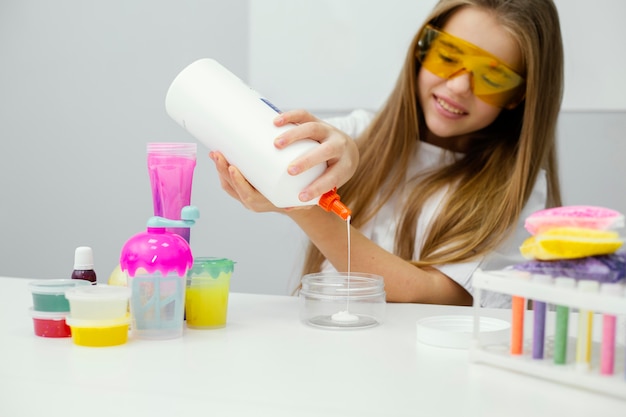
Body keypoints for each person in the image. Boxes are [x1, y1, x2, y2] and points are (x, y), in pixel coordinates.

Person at [210, 0, 564, 307]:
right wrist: (336, 151)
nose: (458, 85)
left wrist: (305, 207)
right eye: (448, 56)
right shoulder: (362, 132)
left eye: (492, 78)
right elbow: (269, 148)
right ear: (421, 50)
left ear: (519, 96)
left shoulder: (518, 195)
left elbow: (428, 294)